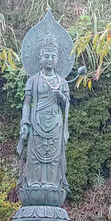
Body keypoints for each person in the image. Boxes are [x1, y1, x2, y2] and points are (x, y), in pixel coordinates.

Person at [17, 33, 70, 206]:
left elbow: (66, 105)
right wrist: (25, 122)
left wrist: (61, 96)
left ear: (58, 59)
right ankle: (34, 185)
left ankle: (52, 185)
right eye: (46, 56)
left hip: (55, 124)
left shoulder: (62, 82)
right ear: (39, 58)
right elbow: (26, 103)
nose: (50, 59)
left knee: (54, 157)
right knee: (35, 156)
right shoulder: (33, 80)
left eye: (53, 56)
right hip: (36, 122)